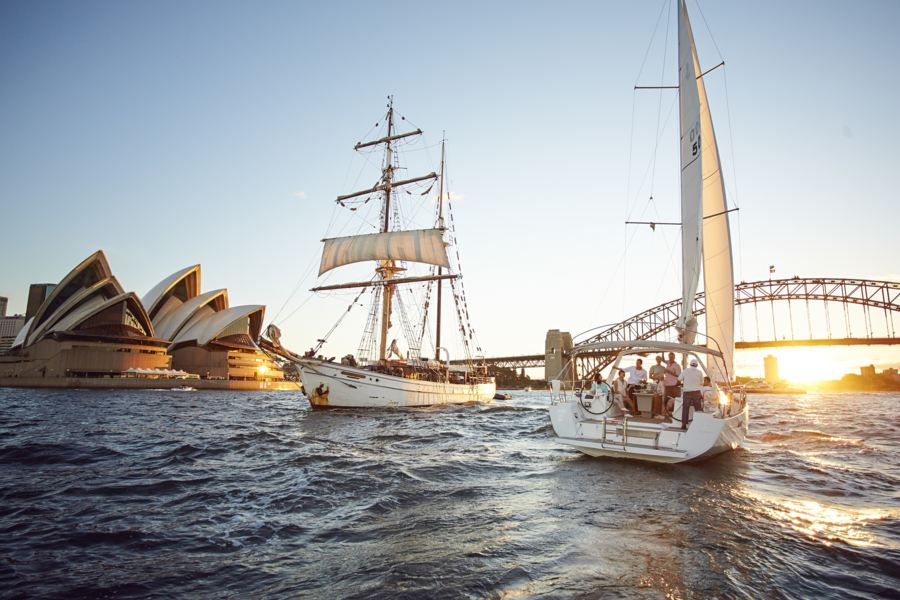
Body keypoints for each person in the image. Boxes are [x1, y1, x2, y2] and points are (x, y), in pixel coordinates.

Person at [678, 358, 705, 426]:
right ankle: (699, 424)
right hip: (696, 392)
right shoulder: (700, 372)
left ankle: (684, 424)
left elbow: (679, 379)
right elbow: (701, 383)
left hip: (687, 392)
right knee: (698, 409)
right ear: (697, 365)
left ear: (690, 364)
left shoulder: (685, 371)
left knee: (685, 408)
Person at [663, 352, 682, 416]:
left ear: (674, 357)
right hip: (667, 384)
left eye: (671, 357)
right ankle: (670, 413)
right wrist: (662, 352)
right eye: (669, 357)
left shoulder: (676, 365)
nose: (670, 358)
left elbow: (679, 375)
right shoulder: (668, 362)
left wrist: (669, 372)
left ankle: (677, 413)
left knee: (676, 399)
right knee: (669, 399)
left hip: (674, 384)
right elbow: (663, 360)